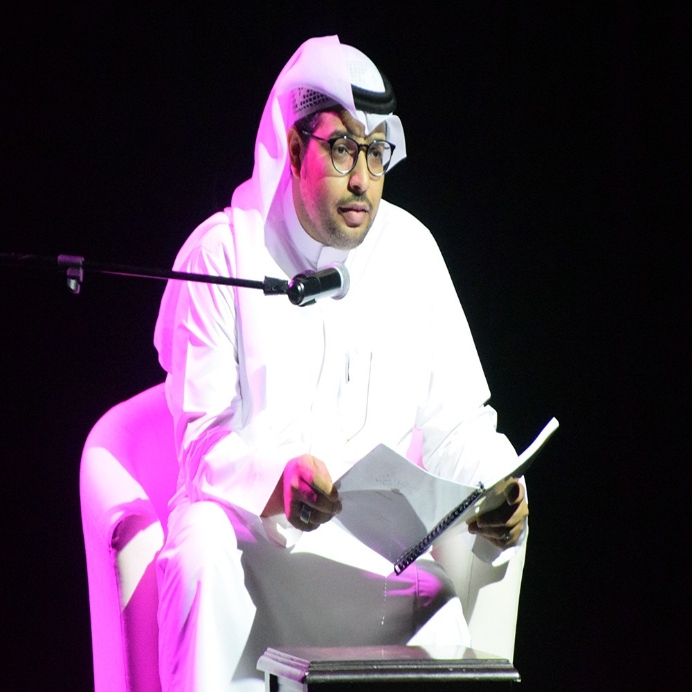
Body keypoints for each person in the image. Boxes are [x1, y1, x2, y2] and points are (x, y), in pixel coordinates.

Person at [153, 35, 529, 691]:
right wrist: (279, 482)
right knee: (199, 551)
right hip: (254, 552)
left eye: (376, 152)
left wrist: (497, 483)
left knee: (447, 601)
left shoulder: (411, 251)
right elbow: (200, 443)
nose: (362, 179)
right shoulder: (223, 254)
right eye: (342, 149)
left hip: (375, 567)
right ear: (294, 148)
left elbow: (458, 424)